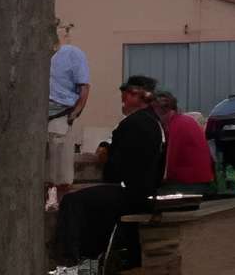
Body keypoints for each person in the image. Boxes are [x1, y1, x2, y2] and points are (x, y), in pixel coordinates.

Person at [52, 75, 167, 268]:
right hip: (146, 194)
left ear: (138, 97)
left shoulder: (133, 124)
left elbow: (116, 170)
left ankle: (70, 260)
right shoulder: (153, 122)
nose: (123, 100)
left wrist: (107, 156)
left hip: (130, 195)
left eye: (127, 95)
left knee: (73, 201)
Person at [48, 36, 91, 185]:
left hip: (60, 115)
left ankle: (56, 204)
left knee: (59, 174)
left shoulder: (70, 53)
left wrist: (74, 113)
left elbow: (84, 86)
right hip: (36, 118)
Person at [153, 91, 214, 194]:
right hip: (201, 181)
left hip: (187, 184)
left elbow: (168, 163)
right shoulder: (186, 120)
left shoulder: (175, 126)